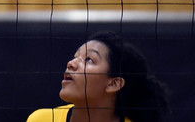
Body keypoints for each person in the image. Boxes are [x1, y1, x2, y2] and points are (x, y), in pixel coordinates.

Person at [27, 31, 169, 122]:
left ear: (113, 83)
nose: (71, 63)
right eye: (75, 56)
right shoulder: (42, 119)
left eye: (89, 59)